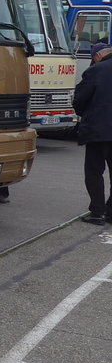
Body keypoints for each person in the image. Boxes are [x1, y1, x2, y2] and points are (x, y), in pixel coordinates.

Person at [73, 41, 112, 225]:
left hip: (99, 130)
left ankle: (97, 212)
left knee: (94, 171)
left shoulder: (95, 70)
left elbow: (79, 99)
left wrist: (85, 114)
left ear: (97, 56)